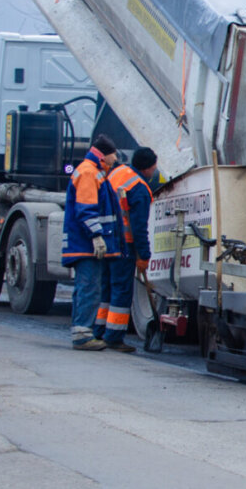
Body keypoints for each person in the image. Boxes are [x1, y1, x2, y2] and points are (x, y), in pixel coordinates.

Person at [63, 134, 123, 350]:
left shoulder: (93, 171)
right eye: (112, 156)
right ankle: (82, 335)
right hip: (86, 244)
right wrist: (96, 235)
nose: (114, 160)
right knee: (89, 287)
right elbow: (86, 209)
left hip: (84, 242)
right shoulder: (89, 173)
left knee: (85, 287)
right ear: (103, 155)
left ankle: (81, 331)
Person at [94, 147, 158, 352]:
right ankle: (113, 336)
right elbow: (139, 227)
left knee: (106, 287)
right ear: (148, 168)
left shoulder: (117, 173)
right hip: (124, 245)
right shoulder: (139, 188)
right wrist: (144, 256)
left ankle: (99, 331)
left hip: (106, 239)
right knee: (121, 290)